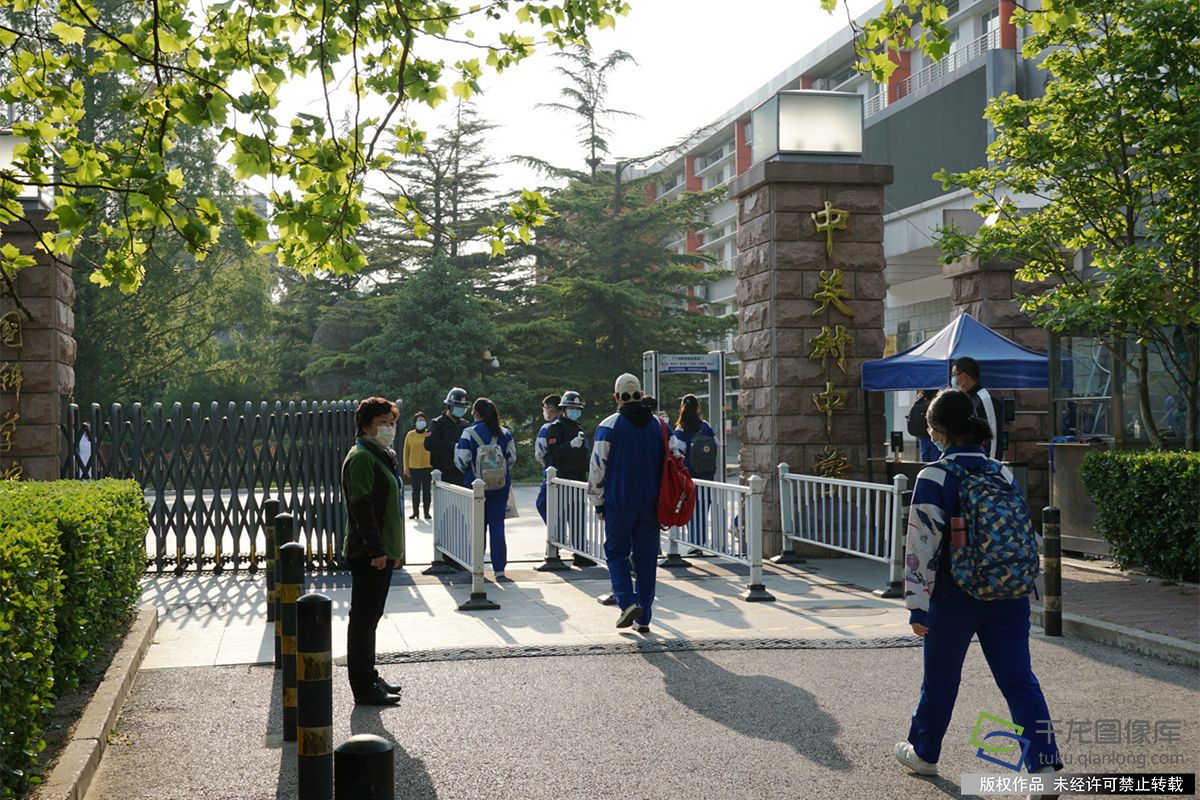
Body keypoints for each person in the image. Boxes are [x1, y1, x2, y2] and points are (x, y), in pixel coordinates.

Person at [895, 388, 1061, 794]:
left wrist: (917, 606)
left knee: (940, 679)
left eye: (930, 429)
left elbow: (921, 547)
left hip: (955, 595)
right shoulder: (1000, 473)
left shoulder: (934, 476)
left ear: (937, 430)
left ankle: (925, 753)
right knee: (1019, 681)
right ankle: (1045, 769)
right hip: (1010, 593)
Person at [589, 374, 679, 634]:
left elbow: (597, 468)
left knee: (616, 552)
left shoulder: (609, 426)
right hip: (653, 504)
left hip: (619, 502)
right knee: (646, 560)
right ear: (641, 394)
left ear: (616, 397)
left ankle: (627, 601)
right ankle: (644, 618)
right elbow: (677, 456)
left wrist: (598, 502)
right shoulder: (661, 426)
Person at [341, 397, 406, 706]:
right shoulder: (362, 457)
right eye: (383, 423)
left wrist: (392, 550)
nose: (389, 428)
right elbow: (362, 507)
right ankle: (363, 686)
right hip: (368, 553)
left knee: (370, 618)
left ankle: (370, 676)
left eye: (392, 423)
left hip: (382, 551)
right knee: (363, 619)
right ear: (366, 425)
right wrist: (377, 550)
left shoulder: (379, 455)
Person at [454, 397, 517, 579]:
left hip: (476, 486)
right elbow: (511, 458)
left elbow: (462, 460)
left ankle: (477, 567)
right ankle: (500, 570)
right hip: (500, 486)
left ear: (475, 412)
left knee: (477, 527)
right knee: (497, 526)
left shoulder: (468, 433)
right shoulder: (504, 432)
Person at [544, 391, 592, 550]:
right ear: (563, 409)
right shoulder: (556, 428)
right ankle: (554, 552)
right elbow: (553, 452)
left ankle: (580, 551)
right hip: (563, 478)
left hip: (579, 477)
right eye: (571, 408)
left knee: (578, 517)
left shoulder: (578, 427)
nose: (575, 411)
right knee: (559, 517)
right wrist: (569, 445)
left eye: (577, 409)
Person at [672, 394, 720, 548]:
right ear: (698, 407)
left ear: (682, 408)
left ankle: (695, 542)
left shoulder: (680, 429)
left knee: (690, 509)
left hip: (689, 477)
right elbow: (717, 444)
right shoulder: (705, 426)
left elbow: (677, 452)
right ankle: (700, 541)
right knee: (703, 508)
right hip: (707, 475)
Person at [951, 357, 1002, 459]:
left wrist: (991, 465)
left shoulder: (985, 399)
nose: (952, 379)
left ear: (964, 376)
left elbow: (994, 439)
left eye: (954, 375)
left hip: (983, 464)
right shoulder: (967, 399)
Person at [424, 387, 471, 487]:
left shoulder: (465, 425)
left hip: (461, 473)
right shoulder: (438, 424)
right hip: (444, 474)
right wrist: (453, 446)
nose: (461, 410)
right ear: (449, 406)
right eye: (458, 407)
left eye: (463, 408)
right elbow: (429, 444)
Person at [534, 394, 562, 522]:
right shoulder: (569, 426)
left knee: (542, 504)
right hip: (568, 473)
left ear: (551, 409)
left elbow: (540, 453)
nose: (544, 411)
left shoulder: (547, 428)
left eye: (545, 408)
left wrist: (546, 463)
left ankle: (556, 531)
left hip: (551, 471)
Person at [402, 411, 433, 520]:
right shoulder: (410, 435)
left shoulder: (429, 434)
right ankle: (415, 513)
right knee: (415, 491)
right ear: (415, 422)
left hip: (427, 467)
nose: (421, 422)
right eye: (419, 420)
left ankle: (426, 513)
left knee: (427, 491)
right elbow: (406, 452)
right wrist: (406, 468)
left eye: (423, 420)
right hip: (414, 467)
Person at [907, 389, 940, 463]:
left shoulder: (918, 402)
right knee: (935, 460)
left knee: (925, 459)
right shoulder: (934, 405)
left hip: (922, 437)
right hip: (934, 436)